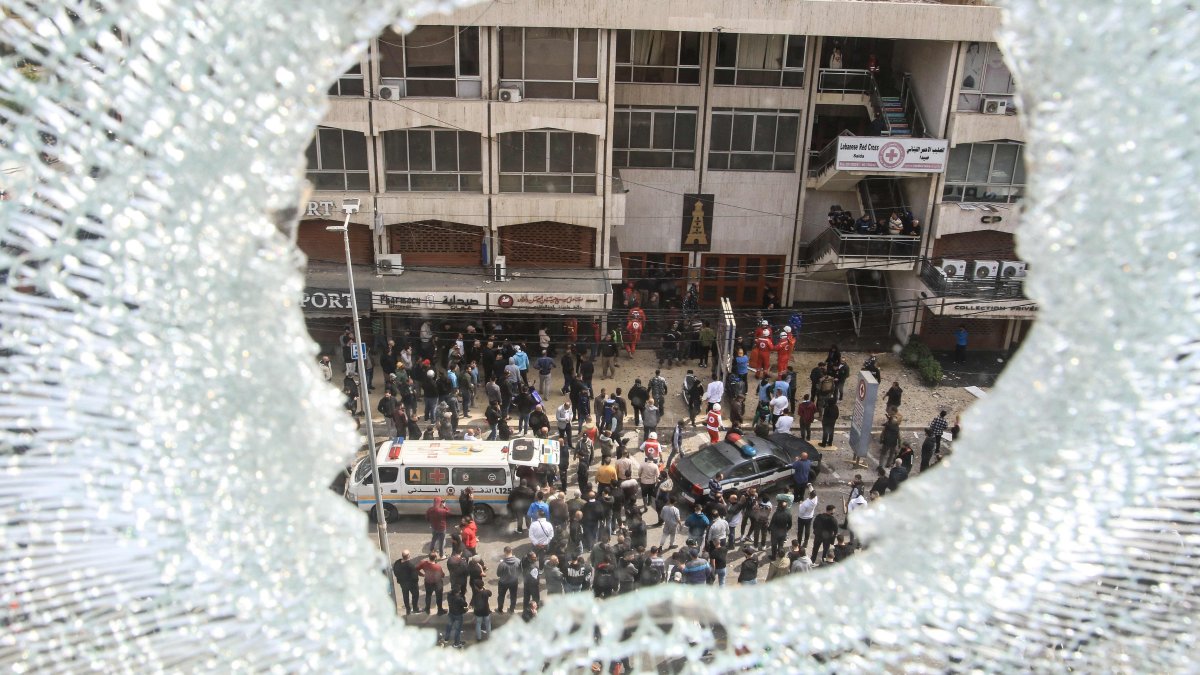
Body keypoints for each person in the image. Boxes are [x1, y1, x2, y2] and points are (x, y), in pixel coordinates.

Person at [393, 550, 420, 615]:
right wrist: (416, 582)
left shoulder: (397, 563)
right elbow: (415, 577)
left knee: (405, 596)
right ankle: (415, 608)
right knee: (415, 595)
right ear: (408, 556)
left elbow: (395, 572)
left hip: (403, 583)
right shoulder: (410, 565)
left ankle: (408, 610)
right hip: (411, 584)